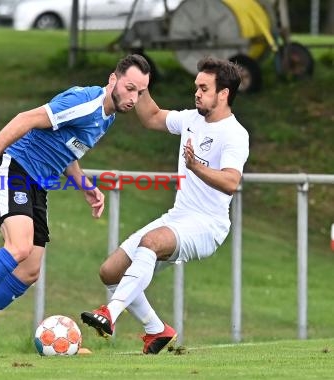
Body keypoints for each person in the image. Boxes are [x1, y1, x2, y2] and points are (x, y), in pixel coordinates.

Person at [0, 54, 152, 359]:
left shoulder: (107, 116)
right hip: (15, 167)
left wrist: (85, 187)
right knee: (19, 247)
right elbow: (25, 119)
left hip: (39, 183)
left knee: (29, 271)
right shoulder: (86, 101)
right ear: (113, 79)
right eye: (130, 88)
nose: (134, 98)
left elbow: (67, 149)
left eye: (140, 93)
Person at [80, 56, 249, 354]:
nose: (196, 93)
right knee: (110, 272)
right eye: (196, 86)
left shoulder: (235, 134)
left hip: (208, 225)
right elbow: (151, 117)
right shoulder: (191, 119)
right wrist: (139, 84)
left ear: (223, 94)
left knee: (152, 242)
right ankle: (157, 331)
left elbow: (231, 182)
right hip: (178, 217)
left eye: (204, 88)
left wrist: (196, 167)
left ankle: (109, 314)